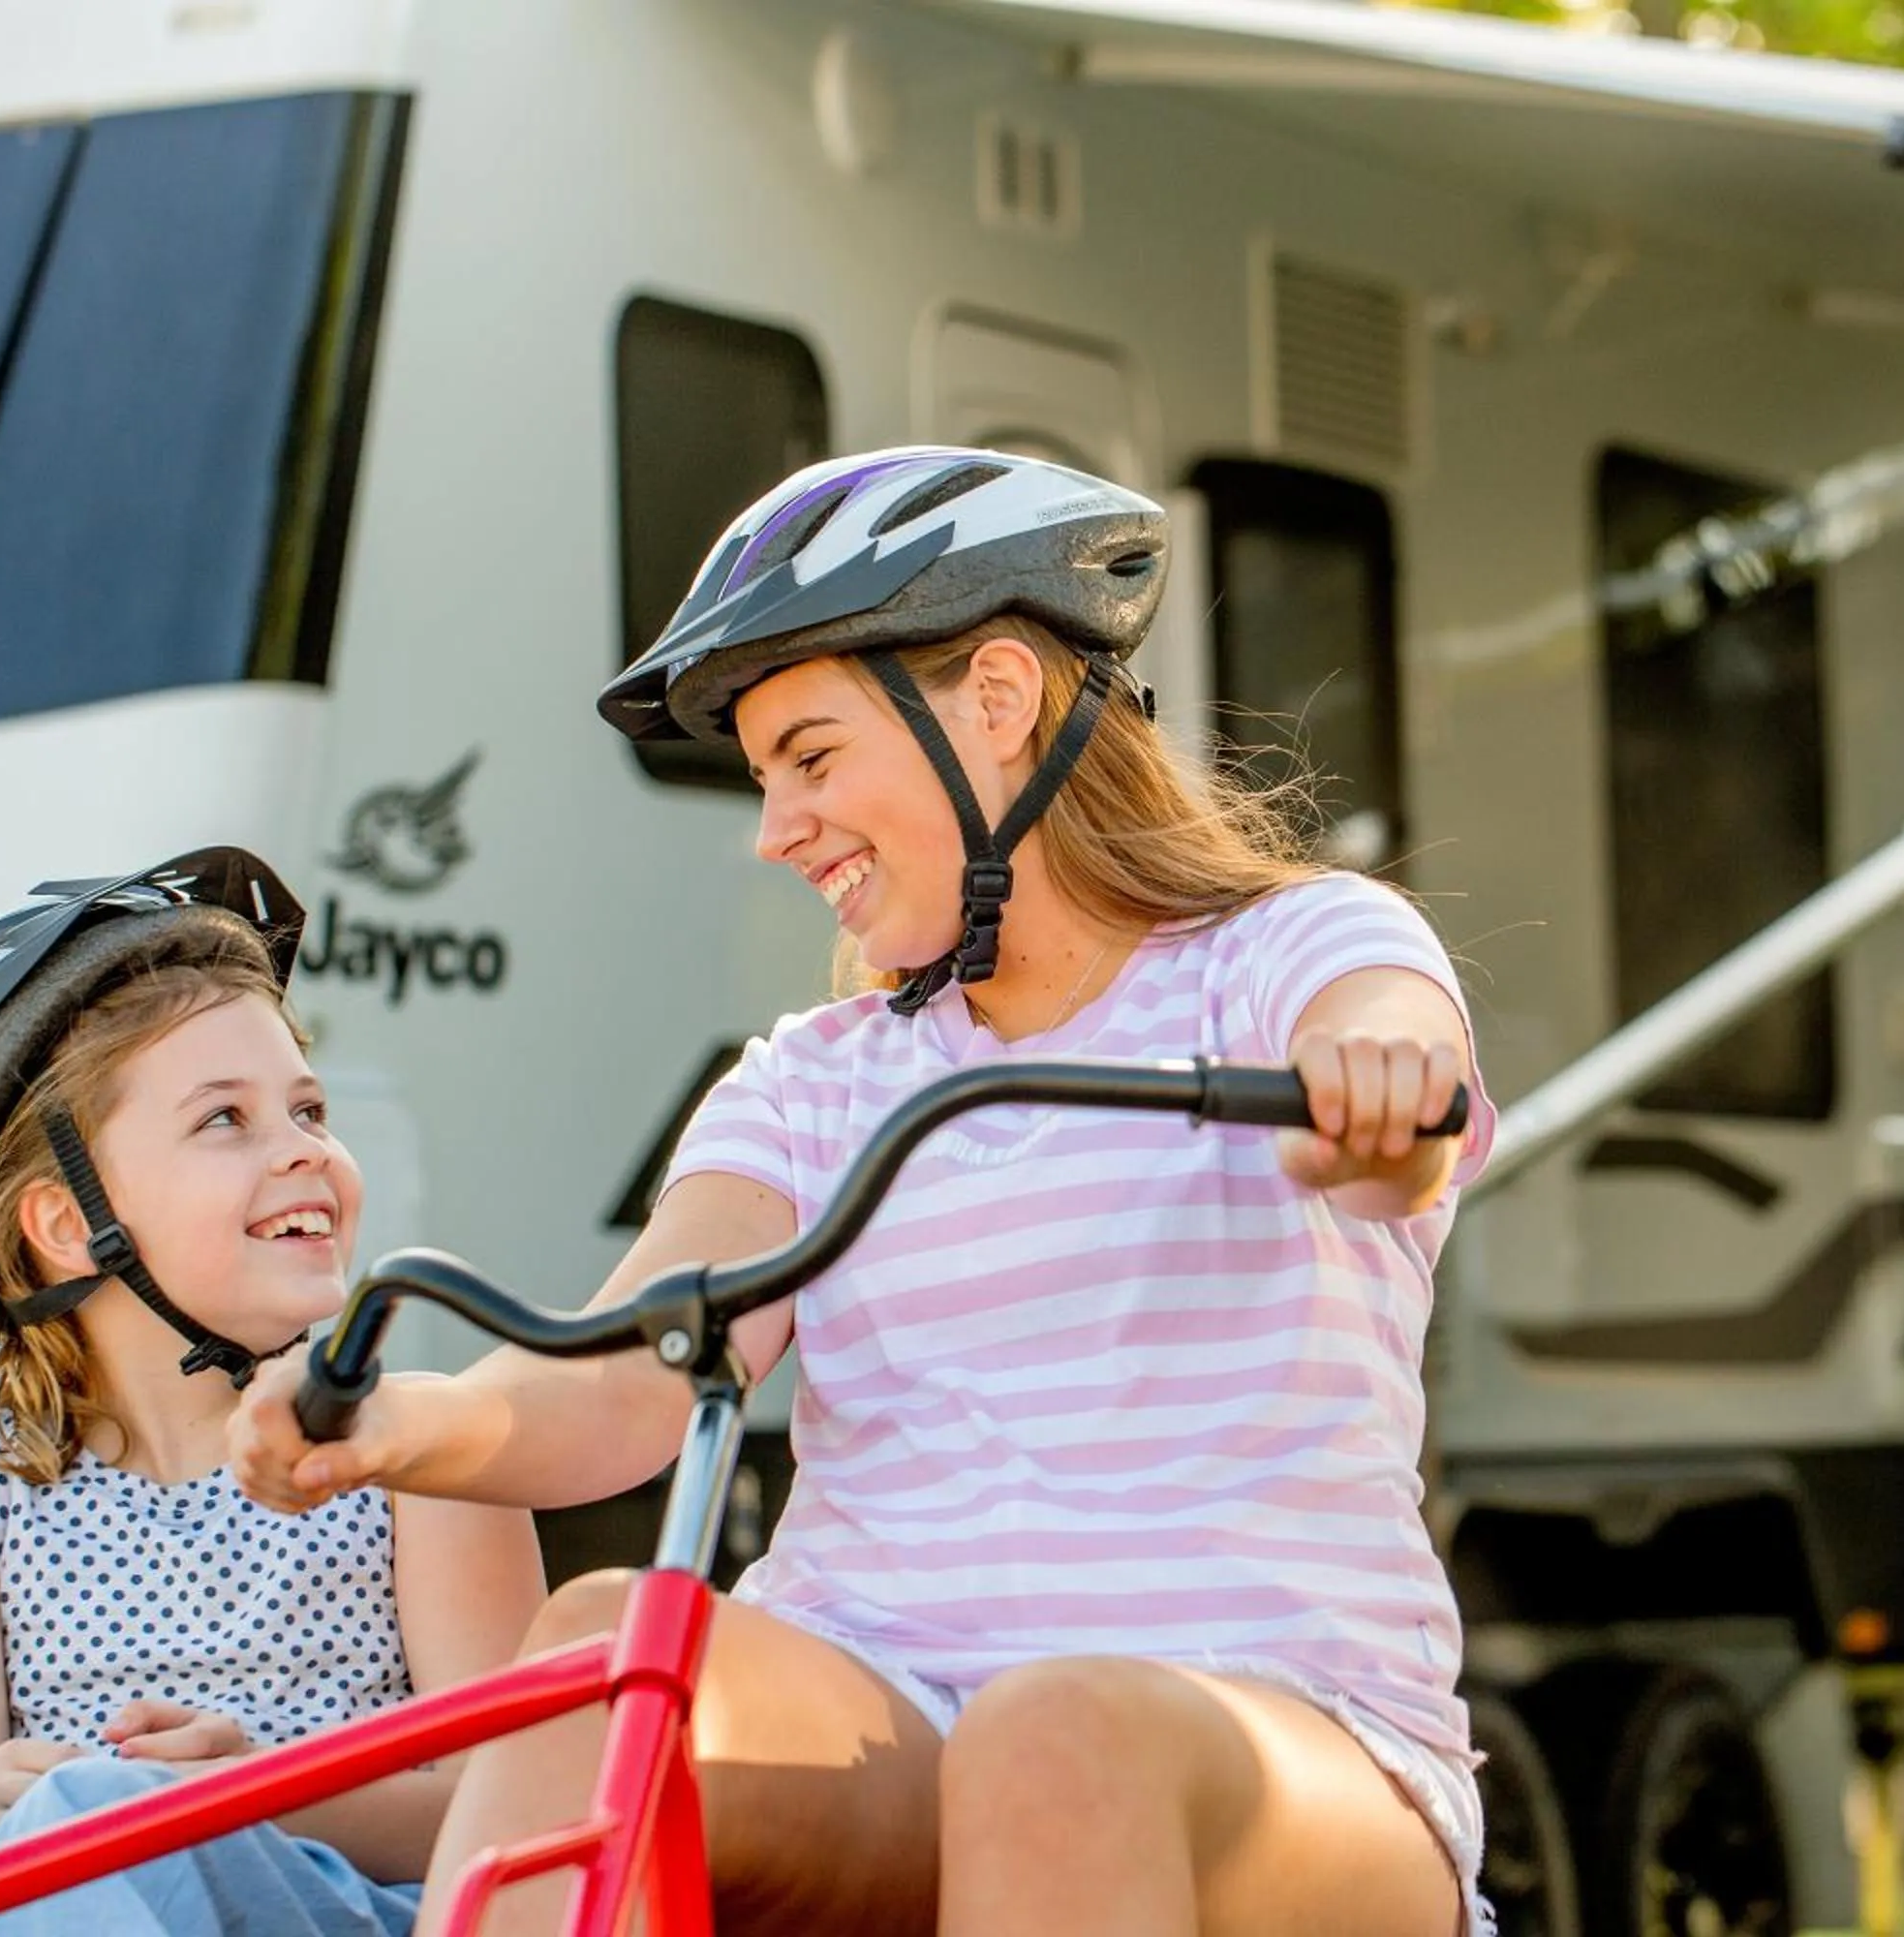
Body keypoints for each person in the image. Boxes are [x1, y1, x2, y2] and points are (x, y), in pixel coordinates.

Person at [232, 449, 1496, 1936]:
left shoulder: (1285, 952)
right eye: (765, 779)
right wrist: (405, 1421)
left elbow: (1396, 1043)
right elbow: (636, 1368)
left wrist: (1375, 1087)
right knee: (602, 1652)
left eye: (813, 759)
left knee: (1057, 1737)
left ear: (1001, 701)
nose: (775, 831)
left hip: (1285, 1740)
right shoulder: (810, 1082)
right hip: (885, 1705)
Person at [0, 848, 544, 1937]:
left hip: (334, 1902)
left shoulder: (415, 1444)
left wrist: (261, 1787)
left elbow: (520, 1804)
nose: (304, 1151)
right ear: (68, 1222)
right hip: (45, 1895)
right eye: (227, 1118)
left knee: (91, 1812)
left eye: (309, 1110)